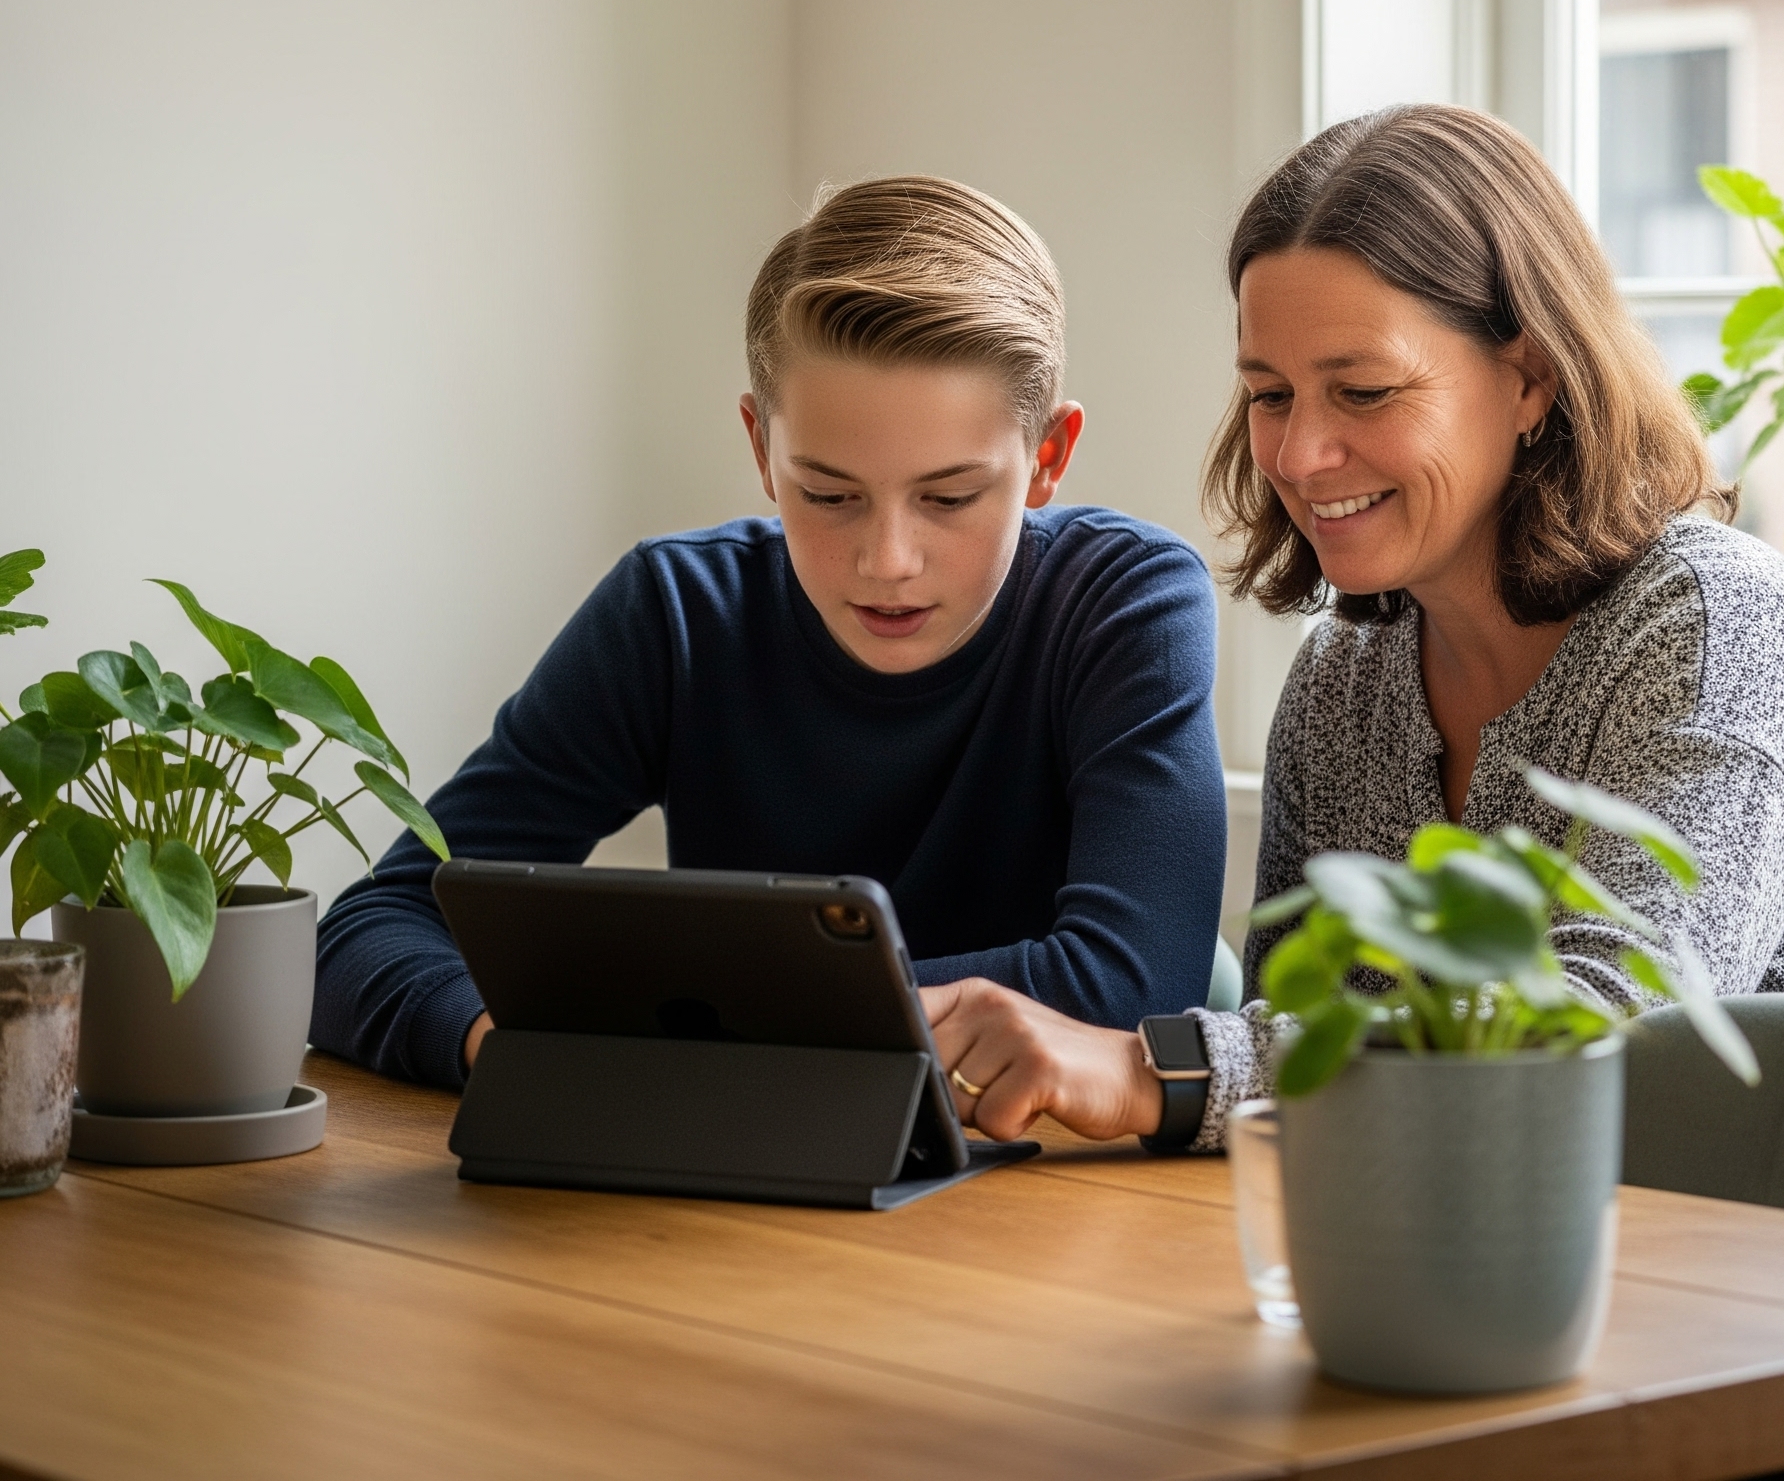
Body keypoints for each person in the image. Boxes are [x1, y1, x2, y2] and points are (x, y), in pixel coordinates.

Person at [923, 104, 1784, 1155]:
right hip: (1514, 1253)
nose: (1299, 453)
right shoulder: (1345, 676)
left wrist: (1163, 1069)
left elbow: (1596, 1038)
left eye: (1363, 390)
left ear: (1529, 376)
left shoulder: (1723, 629)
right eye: (1269, 394)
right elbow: (1302, 1050)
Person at [313, 177, 1227, 1089]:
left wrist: (675, 1023)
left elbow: (1134, 987)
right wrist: (506, 1045)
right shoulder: (676, 613)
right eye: (828, 495)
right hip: (738, 1189)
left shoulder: (1126, 603)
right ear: (760, 449)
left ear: (1048, 459)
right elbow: (372, 927)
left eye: (949, 498)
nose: (888, 560)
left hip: (1044, 1196)